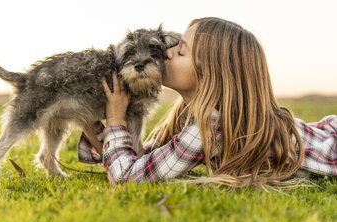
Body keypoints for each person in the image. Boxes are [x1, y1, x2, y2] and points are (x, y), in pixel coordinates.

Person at [77, 17, 337, 187]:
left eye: (180, 52)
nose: (166, 53)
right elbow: (142, 159)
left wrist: (115, 120)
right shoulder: (190, 115)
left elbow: (127, 177)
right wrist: (94, 124)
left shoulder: (209, 129)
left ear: (210, 73)